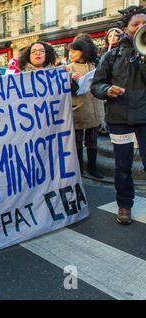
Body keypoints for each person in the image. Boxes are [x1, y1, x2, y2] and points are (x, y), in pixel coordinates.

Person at [91, 5, 146, 225]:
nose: (141, 27)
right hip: (119, 118)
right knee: (123, 166)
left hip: (144, 116)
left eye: (144, 23)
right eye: (136, 24)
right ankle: (124, 205)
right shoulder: (111, 55)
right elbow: (97, 85)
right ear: (125, 28)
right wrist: (107, 90)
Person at [67, 38, 103, 179]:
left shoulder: (94, 65)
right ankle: (79, 169)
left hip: (92, 108)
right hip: (77, 109)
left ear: (83, 52)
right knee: (77, 143)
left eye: (74, 51)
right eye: (70, 51)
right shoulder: (69, 67)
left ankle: (93, 168)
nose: (71, 54)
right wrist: (72, 81)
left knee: (92, 141)